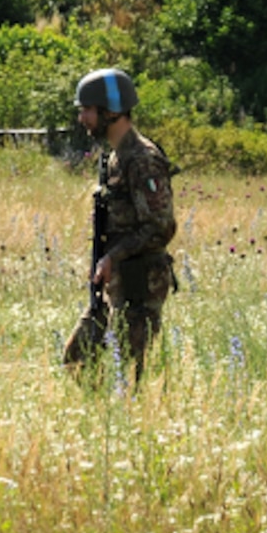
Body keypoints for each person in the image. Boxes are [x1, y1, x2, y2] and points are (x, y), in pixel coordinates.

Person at [62, 67, 176, 387]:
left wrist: (114, 256)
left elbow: (160, 226)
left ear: (111, 112)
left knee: (125, 377)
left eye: (87, 110)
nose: (82, 118)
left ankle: (127, 427)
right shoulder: (115, 158)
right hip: (116, 282)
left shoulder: (142, 159)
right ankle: (100, 423)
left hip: (141, 283)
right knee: (76, 360)